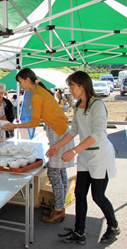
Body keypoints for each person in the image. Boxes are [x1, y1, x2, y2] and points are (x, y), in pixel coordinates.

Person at [47, 71, 119, 244]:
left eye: (72, 86)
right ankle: (79, 232)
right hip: (86, 156)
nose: (70, 90)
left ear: (82, 85)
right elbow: (74, 130)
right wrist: (57, 145)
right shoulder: (78, 105)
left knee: (98, 196)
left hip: (100, 156)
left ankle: (114, 226)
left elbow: (97, 133)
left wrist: (74, 151)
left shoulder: (97, 105)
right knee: (79, 193)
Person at [1, 68, 75, 223]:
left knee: (54, 173)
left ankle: (59, 209)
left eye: (20, 82)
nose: (20, 85)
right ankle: (59, 206)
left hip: (58, 133)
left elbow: (34, 122)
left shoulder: (36, 94)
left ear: (28, 79)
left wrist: (13, 126)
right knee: (60, 173)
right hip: (60, 131)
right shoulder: (40, 90)